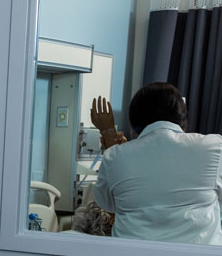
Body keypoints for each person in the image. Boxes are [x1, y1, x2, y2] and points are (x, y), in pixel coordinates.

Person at [92, 83, 222, 244]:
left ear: (134, 120)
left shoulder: (115, 156)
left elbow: (108, 204)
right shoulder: (214, 148)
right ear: (183, 117)